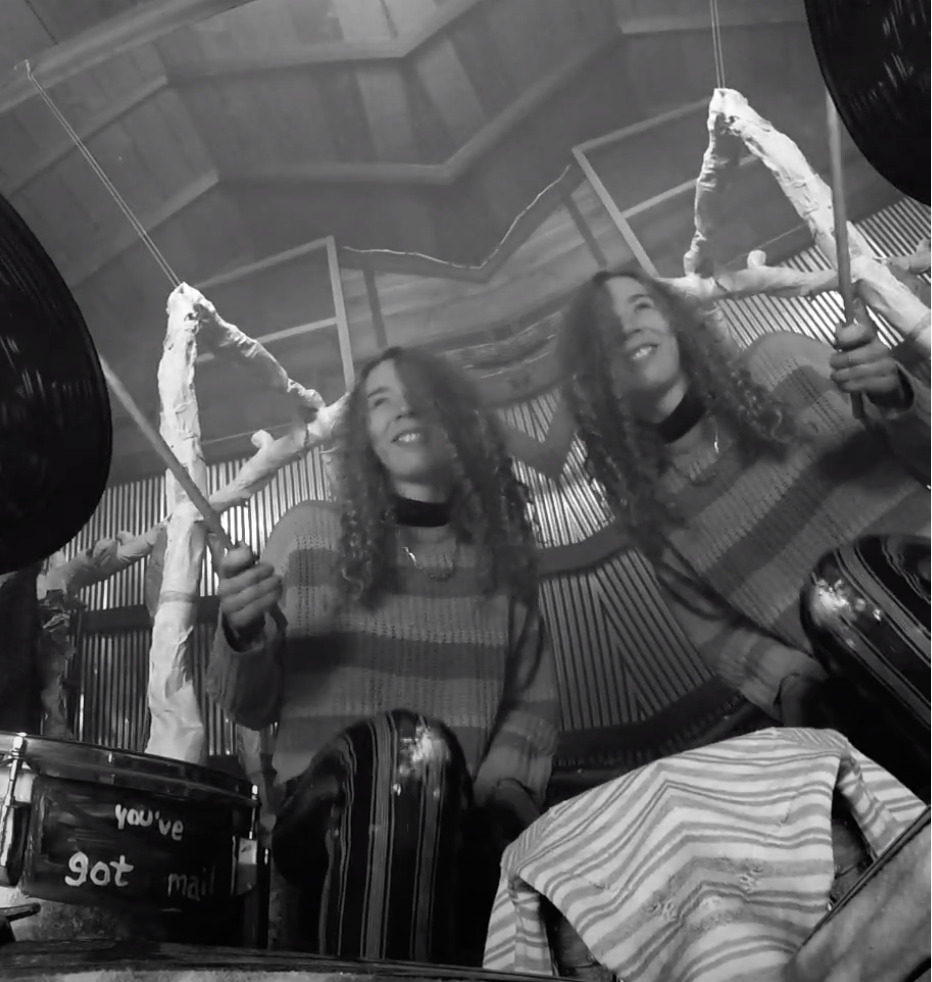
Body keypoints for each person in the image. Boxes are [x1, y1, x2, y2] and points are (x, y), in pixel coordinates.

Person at [206, 345, 559, 963]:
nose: (405, 408)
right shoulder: (308, 533)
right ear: (364, 438)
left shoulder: (504, 569)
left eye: (423, 394)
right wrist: (242, 635)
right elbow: (248, 706)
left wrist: (493, 815)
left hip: (459, 833)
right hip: (319, 823)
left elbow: (531, 712)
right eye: (380, 401)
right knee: (403, 751)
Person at [556, 265, 930, 795]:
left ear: (675, 321)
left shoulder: (783, 360)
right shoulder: (650, 509)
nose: (630, 326)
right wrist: (797, 685)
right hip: (880, 700)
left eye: (641, 306)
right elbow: (721, 636)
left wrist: (896, 395)